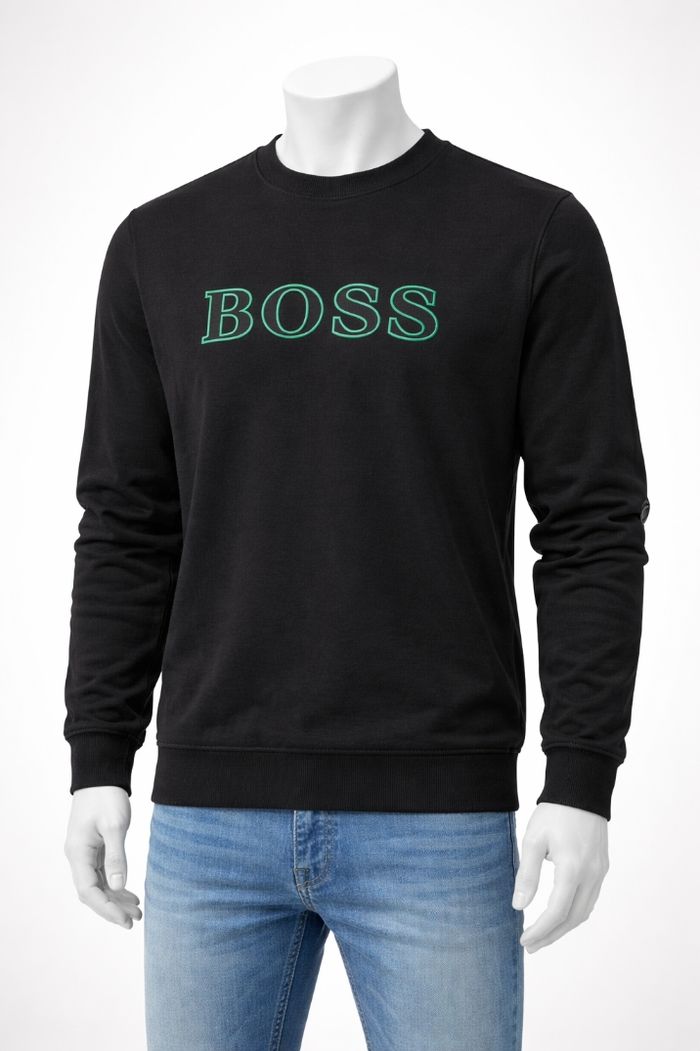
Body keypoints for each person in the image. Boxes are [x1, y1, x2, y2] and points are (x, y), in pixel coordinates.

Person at [63, 55, 650, 1051]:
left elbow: (591, 521)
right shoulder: (161, 244)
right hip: (209, 818)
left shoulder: (531, 232)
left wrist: (581, 774)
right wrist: (96, 755)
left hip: (438, 816)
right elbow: (127, 518)